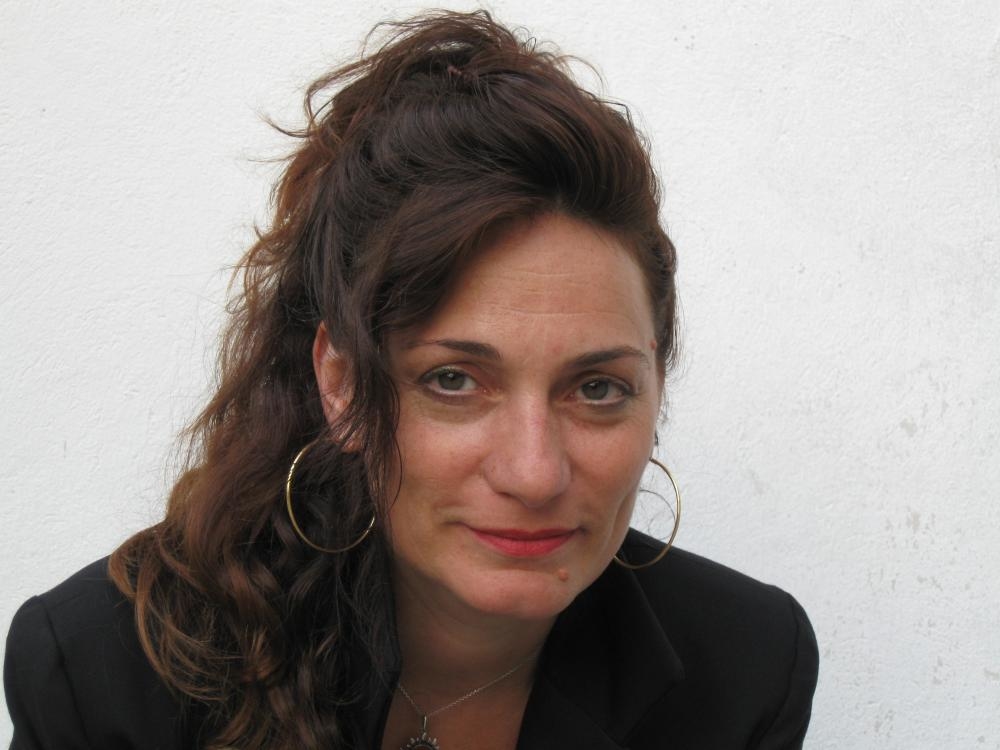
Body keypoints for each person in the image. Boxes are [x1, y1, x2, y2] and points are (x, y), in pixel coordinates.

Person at [4, 10, 818, 750]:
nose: (534, 472)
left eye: (597, 389)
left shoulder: (746, 671)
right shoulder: (109, 676)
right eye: (455, 381)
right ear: (342, 384)